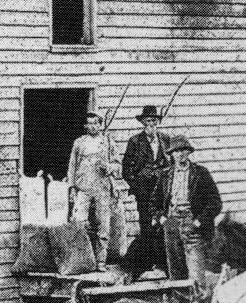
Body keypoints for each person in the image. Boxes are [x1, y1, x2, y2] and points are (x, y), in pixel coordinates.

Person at [154, 135, 222, 283]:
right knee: (176, 275)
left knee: (196, 274)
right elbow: (154, 203)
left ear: (189, 152)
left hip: (192, 224)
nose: (180, 154)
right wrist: (163, 220)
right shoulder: (165, 175)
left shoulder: (201, 173)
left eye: (183, 150)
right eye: (176, 151)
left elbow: (216, 203)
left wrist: (198, 222)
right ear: (171, 154)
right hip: (171, 225)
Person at [122, 104, 171, 267]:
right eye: (148, 121)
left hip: (162, 189)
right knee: (145, 223)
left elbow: (170, 162)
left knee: (162, 221)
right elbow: (126, 167)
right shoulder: (135, 141)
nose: (151, 124)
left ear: (158, 122)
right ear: (143, 122)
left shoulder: (164, 139)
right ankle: (147, 261)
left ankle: (162, 260)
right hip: (143, 189)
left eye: (154, 121)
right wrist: (135, 186)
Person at [67, 111, 118, 264]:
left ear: (100, 125)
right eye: (89, 123)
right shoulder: (79, 143)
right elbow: (72, 166)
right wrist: (72, 187)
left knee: (103, 226)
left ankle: (101, 261)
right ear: (85, 126)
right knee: (79, 224)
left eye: (96, 123)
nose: (93, 126)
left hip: (102, 189)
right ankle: (82, 260)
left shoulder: (107, 142)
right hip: (83, 189)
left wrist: (109, 167)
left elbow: (118, 165)